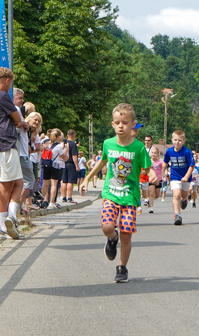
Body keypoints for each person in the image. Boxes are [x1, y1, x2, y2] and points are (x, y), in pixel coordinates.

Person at [79, 103, 155, 283]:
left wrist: (152, 176)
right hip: (110, 193)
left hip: (130, 196)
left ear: (133, 124)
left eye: (125, 122)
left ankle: (122, 267)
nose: (121, 126)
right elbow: (102, 162)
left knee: (127, 232)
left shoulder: (138, 147)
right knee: (107, 227)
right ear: (113, 124)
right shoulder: (108, 143)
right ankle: (112, 239)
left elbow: (147, 167)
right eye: (117, 122)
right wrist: (86, 179)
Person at [0, 67, 28, 240]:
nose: (10, 87)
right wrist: (24, 124)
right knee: (5, 186)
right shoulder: (2, 96)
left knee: (18, 182)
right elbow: (17, 119)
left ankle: (10, 219)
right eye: (10, 83)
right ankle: (4, 224)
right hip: (5, 144)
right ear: (6, 81)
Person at [163, 130, 194, 225]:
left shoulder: (187, 152)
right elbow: (165, 163)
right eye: (175, 140)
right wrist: (163, 173)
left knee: (183, 195)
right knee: (176, 195)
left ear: (184, 141)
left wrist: (186, 176)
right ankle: (177, 215)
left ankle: (184, 200)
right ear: (172, 140)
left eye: (180, 140)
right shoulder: (169, 151)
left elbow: (191, 165)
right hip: (175, 177)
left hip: (185, 178)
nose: (177, 142)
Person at [41, 129, 63, 210]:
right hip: (55, 166)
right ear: (59, 137)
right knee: (54, 184)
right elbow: (63, 156)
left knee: (45, 184)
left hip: (46, 165)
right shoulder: (59, 146)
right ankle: (51, 202)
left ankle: (42, 200)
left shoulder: (47, 145)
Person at [61, 129, 80, 204]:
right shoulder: (73, 144)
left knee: (63, 181)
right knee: (70, 181)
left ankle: (63, 197)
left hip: (63, 163)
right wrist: (77, 165)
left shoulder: (63, 143)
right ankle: (69, 197)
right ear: (73, 135)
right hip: (71, 164)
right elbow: (74, 155)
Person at [148, 146, 165, 213]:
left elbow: (163, 169)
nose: (153, 154)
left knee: (157, 195)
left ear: (157, 154)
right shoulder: (149, 161)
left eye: (155, 153)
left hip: (158, 179)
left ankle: (152, 200)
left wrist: (164, 175)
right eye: (152, 153)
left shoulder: (160, 162)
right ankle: (151, 207)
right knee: (151, 193)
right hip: (151, 179)